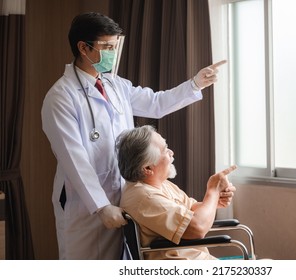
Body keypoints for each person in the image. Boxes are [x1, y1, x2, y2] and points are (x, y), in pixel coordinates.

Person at [41, 12, 226, 260]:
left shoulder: (116, 85)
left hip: (123, 196)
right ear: (83, 48)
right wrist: (101, 206)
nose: (112, 54)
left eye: (115, 47)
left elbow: (157, 103)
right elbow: (74, 159)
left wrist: (195, 84)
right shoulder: (61, 97)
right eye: (106, 47)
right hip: (84, 206)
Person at [117, 125, 237, 260]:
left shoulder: (162, 185)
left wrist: (215, 201)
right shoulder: (144, 197)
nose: (171, 152)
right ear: (148, 168)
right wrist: (213, 191)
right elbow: (198, 227)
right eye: (164, 150)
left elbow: (192, 209)